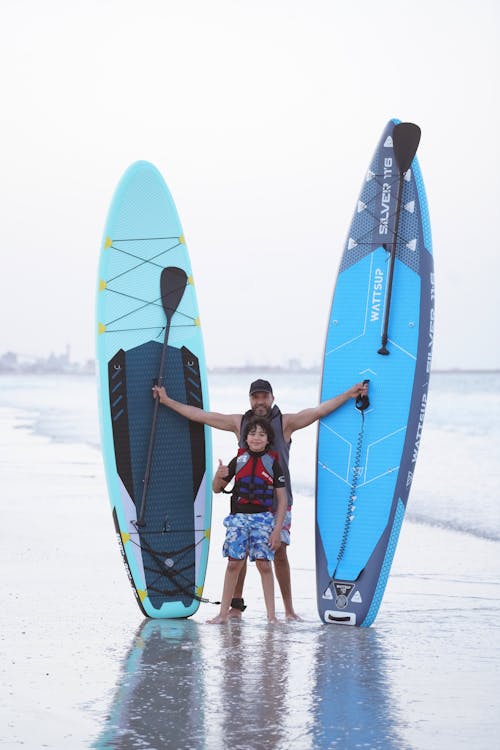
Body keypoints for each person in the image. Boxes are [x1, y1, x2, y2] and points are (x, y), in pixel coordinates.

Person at [153, 376, 367, 620]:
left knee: (279, 553)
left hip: (279, 503)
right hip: (247, 505)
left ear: (272, 398)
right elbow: (201, 415)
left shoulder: (285, 423)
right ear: (250, 399)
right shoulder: (239, 423)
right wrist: (168, 402)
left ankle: (288, 609)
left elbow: (319, 411)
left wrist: (349, 394)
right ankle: (235, 605)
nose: (260, 401)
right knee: (239, 555)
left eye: (264, 396)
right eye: (256, 397)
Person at [207, 417, 287, 624]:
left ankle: (271, 616)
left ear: (268, 439)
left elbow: (282, 499)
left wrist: (277, 530)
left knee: (264, 565)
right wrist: (219, 476)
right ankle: (222, 614)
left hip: (263, 519)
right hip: (238, 519)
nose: (256, 438)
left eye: (261, 434)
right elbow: (216, 489)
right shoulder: (238, 461)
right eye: (252, 434)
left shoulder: (273, 464)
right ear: (246, 438)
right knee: (233, 564)